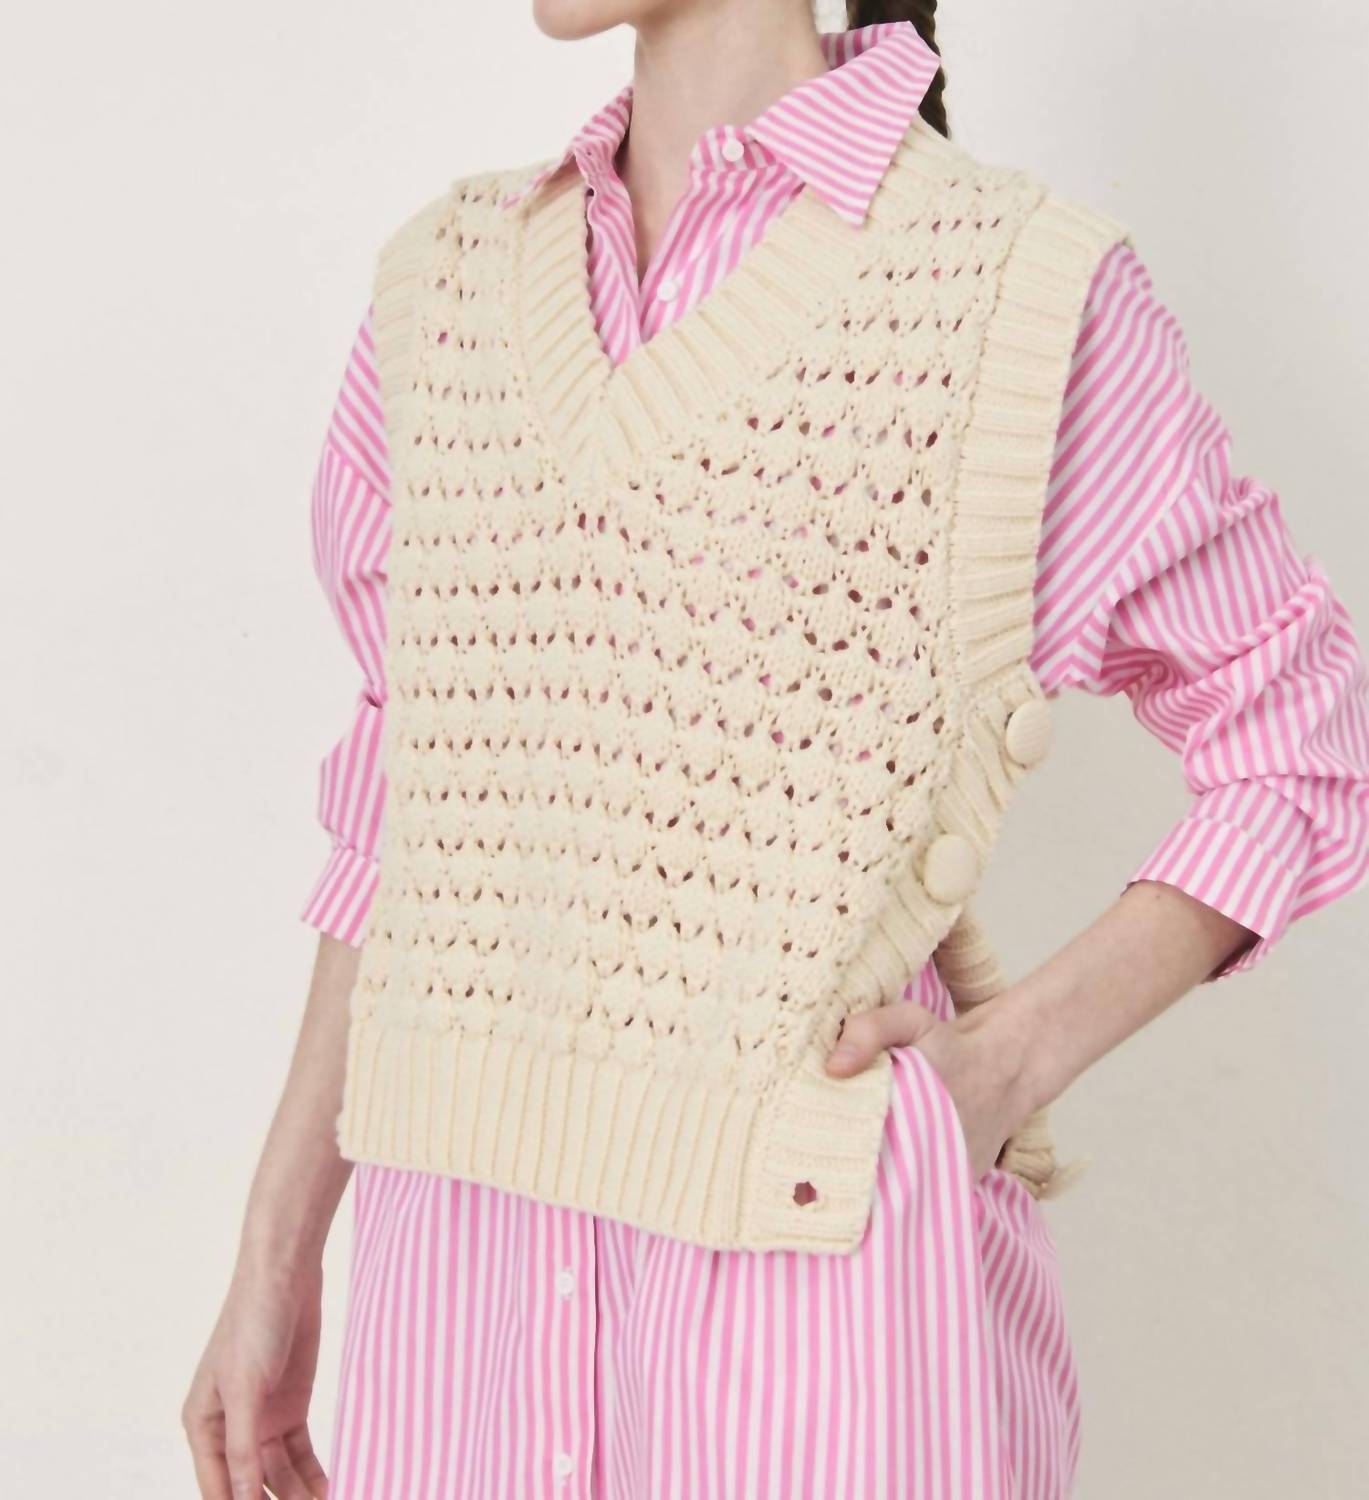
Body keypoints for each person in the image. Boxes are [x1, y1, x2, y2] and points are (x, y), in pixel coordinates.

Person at [182, 3, 1369, 1497]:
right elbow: (404, 807)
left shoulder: (1007, 292)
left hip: (813, 1295)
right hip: (458, 1308)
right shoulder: (442, 289)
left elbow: (1300, 729)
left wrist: (1004, 1068)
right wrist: (277, 1251)